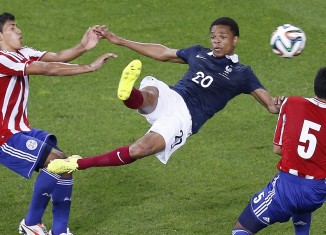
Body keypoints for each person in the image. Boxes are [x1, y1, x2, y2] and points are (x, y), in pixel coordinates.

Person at [47, 17, 283, 173]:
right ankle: (130, 95)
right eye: (213, 36)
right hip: (173, 96)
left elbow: (271, 106)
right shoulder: (197, 53)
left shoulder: (243, 74)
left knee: (139, 150)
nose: (216, 41)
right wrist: (118, 40)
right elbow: (161, 52)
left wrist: (279, 103)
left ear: (235, 39)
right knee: (152, 92)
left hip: (185, 119)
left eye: (222, 36)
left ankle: (76, 163)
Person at [0, 12, 117, 235]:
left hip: (21, 129)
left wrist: (84, 46)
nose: (19, 31)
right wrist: (89, 67)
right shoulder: (1, 58)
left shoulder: (22, 53)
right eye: (12, 28)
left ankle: (60, 231)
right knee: (56, 162)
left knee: (64, 164)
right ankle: (31, 223)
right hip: (4, 136)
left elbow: (57, 57)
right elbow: (47, 69)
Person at [231, 67, 326, 235]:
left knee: (241, 228)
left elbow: (278, 149)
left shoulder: (291, 103)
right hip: (317, 191)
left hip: (287, 188)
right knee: (302, 204)